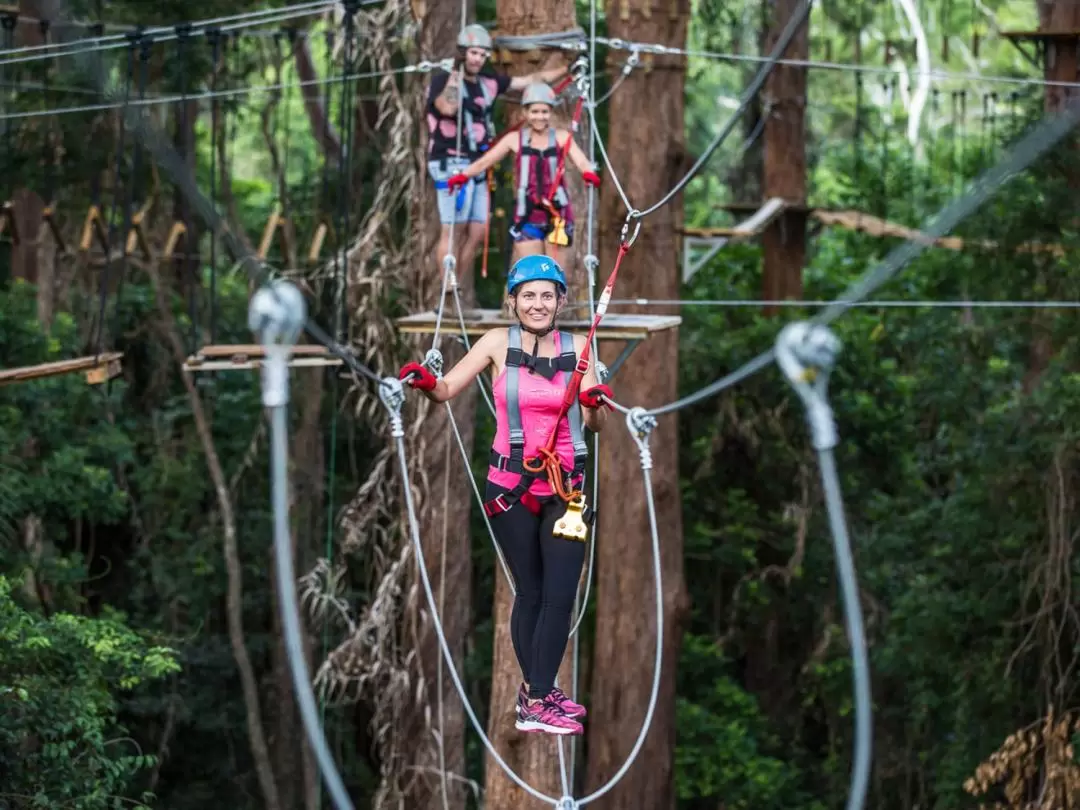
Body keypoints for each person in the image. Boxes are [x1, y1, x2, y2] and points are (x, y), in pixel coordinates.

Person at [397, 255, 614, 736]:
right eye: (529, 296)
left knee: (560, 593)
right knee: (531, 591)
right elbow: (449, 387)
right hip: (510, 488)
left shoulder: (580, 347)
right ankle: (538, 695)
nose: (538, 304)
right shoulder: (496, 342)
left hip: (565, 489)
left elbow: (597, 424)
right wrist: (427, 383)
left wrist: (594, 404)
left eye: (547, 296)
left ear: (560, 301)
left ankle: (537, 696)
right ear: (513, 301)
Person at [427, 25, 568, 282]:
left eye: (482, 54)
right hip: (450, 161)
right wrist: (455, 74)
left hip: (477, 163)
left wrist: (568, 69)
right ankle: (447, 291)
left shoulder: (488, 84)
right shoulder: (442, 82)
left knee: (478, 231)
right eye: (472, 53)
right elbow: (447, 108)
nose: (477, 59)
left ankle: (454, 284)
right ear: (462, 54)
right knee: (454, 229)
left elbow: (531, 80)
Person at [446, 82, 600, 269]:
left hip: (557, 214)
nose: (540, 117)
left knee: (555, 275)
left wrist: (588, 173)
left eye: (544, 112)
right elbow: (484, 162)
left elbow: (582, 161)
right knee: (531, 274)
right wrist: (462, 176)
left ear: (550, 113)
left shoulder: (561, 137)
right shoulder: (514, 139)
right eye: (535, 111)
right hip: (527, 215)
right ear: (525, 113)